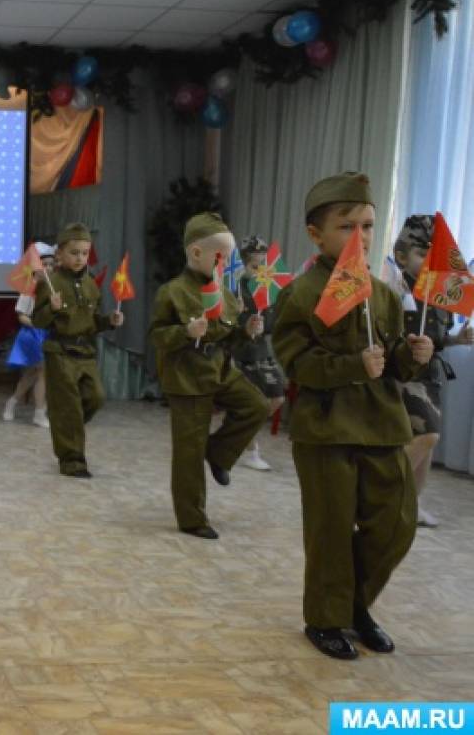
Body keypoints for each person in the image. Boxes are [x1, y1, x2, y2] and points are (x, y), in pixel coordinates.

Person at [271, 173, 433, 660]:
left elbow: (392, 364)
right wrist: (350, 365)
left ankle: (354, 605)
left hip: (382, 425)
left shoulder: (382, 294)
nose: (359, 237)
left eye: (367, 225)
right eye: (347, 227)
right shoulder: (299, 295)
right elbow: (297, 365)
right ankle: (326, 617)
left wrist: (413, 353)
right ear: (316, 234)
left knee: (397, 523)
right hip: (326, 428)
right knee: (331, 529)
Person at [149, 212, 268, 539]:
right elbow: (157, 336)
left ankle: (219, 454)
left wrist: (247, 330)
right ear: (196, 252)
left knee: (256, 405)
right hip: (186, 378)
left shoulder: (226, 295)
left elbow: (228, 337)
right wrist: (186, 331)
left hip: (219, 369)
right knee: (188, 452)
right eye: (221, 256)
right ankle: (192, 518)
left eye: (228, 257)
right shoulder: (171, 292)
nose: (226, 263)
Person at [392, 214, 474, 527]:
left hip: (432, 376)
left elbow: (437, 340)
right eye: (422, 253)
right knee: (427, 435)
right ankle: (383, 498)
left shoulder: (437, 294)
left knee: (427, 445)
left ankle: (411, 504)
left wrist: (456, 339)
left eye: (434, 254)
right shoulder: (397, 290)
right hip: (406, 376)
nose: (429, 261)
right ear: (401, 255)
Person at [32, 224, 123, 477]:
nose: (80, 258)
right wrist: (51, 308)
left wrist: (109, 321)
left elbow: (93, 320)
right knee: (68, 405)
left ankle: (66, 427)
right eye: (74, 253)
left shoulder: (91, 283)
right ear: (60, 254)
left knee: (96, 397)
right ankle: (72, 461)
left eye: (84, 253)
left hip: (85, 352)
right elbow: (38, 321)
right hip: (59, 350)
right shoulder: (50, 283)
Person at [233, 236, 288, 471]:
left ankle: (240, 433)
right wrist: (246, 324)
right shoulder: (236, 288)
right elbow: (228, 322)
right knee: (254, 401)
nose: (259, 271)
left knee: (277, 396)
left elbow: (273, 325)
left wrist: (266, 322)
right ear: (244, 265)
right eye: (255, 266)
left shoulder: (267, 291)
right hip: (241, 352)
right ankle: (251, 450)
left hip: (261, 351)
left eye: (263, 265)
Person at [3, 243, 55, 427]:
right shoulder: (29, 289)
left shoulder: (55, 289)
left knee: (33, 374)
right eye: (45, 264)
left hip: (49, 335)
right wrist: (37, 324)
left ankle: (13, 401)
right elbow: (21, 316)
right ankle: (39, 413)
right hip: (32, 335)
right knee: (41, 370)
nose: (48, 268)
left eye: (51, 265)